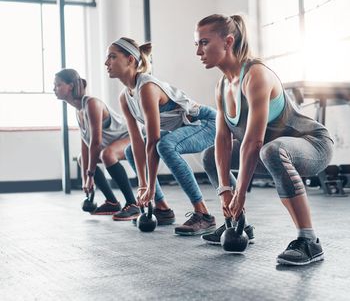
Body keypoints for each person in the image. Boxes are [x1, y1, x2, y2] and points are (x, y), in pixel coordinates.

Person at [195, 14, 333, 265]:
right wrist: (225, 190)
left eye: (204, 42)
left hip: (313, 145)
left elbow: (252, 142)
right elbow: (222, 140)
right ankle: (237, 224)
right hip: (269, 151)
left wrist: (240, 192)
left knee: (271, 150)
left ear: (227, 42)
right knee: (209, 155)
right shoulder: (222, 86)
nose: (198, 51)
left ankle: (309, 240)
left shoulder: (255, 75)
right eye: (197, 43)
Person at [104, 37, 217, 235]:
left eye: (112, 57)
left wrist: (149, 186)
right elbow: (137, 141)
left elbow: (154, 140)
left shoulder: (147, 87)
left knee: (165, 145)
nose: (107, 63)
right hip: (182, 129)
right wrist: (142, 185)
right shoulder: (125, 96)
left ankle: (203, 214)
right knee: (131, 150)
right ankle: (162, 208)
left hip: (207, 123)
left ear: (130, 59)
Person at [54, 68, 140, 221]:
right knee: (82, 158)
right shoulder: (78, 110)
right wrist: (84, 179)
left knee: (107, 154)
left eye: (58, 85)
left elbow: (96, 142)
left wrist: (90, 175)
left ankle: (133, 204)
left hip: (134, 136)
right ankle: (112, 203)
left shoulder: (92, 103)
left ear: (71, 86)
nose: (54, 89)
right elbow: (86, 144)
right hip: (114, 142)